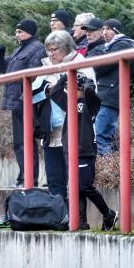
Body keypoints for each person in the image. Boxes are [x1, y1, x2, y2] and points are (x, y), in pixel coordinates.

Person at [48, 73, 119, 231]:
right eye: (68, 88)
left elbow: (89, 91)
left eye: (73, 88)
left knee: (84, 185)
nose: (69, 91)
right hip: (70, 150)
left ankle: (108, 213)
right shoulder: (69, 103)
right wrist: (65, 77)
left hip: (85, 151)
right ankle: (81, 222)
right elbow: (54, 93)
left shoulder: (91, 102)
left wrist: (84, 79)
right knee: (75, 187)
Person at [31, 30, 95, 201]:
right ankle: (60, 216)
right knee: (54, 179)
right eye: (49, 50)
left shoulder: (80, 63)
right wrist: (48, 88)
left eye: (55, 50)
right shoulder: (46, 66)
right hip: (50, 130)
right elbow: (31, 92)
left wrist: (57, 88)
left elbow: (87, 93)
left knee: (74, 179)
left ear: (66, 48)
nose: (51, 54)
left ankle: (77, 220)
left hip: (74, 129)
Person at [0, 19, 46, 188]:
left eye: (20, 32)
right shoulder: (19, 50)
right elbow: (4, 69)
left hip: (26, 101)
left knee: (26, 141)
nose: (17, 35)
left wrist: (25, 97)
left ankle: (30, 179)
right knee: (19, 143)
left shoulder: (36, 48)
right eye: (16, 32)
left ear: (30, 32)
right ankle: (23, 177)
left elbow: (34, 75)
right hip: (16, 102)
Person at [94, 19, 134, 156]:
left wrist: (96, 57)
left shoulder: (123, 45)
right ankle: (114, 171)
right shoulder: (112, 46)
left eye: (108, 29)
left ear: (116, 31)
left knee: (101, 137)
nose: (104, 33)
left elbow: (102, 66)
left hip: (111, 97)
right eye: (103, 29)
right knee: (106, 138)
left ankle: (108, 173)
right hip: (107, 95)